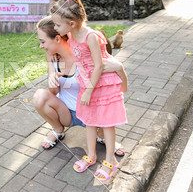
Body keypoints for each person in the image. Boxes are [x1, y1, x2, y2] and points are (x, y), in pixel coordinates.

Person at [49, 0, 128, 182]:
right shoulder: (70, 33)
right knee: (90, 121)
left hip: (102, 83)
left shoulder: (90, 36)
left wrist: (89, 90)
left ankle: (111, 161)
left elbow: (99, 65)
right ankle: (91, 155)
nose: (55, 27)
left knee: (107, 124)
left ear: (72, 23)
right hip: (88, 83)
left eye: (58, 24)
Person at [33, 16, 126, 157]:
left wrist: (119, 68)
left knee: (103, 99)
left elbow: (110, 87)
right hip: (67, 113)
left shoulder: (83, 54)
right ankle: (58, 130)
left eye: (43, 41)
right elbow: (53, 92)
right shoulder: (52, 56)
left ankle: (103, 135)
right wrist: (53, 80)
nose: (41, 46)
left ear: (57, 39)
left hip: (91, 111)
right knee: (39, 96)